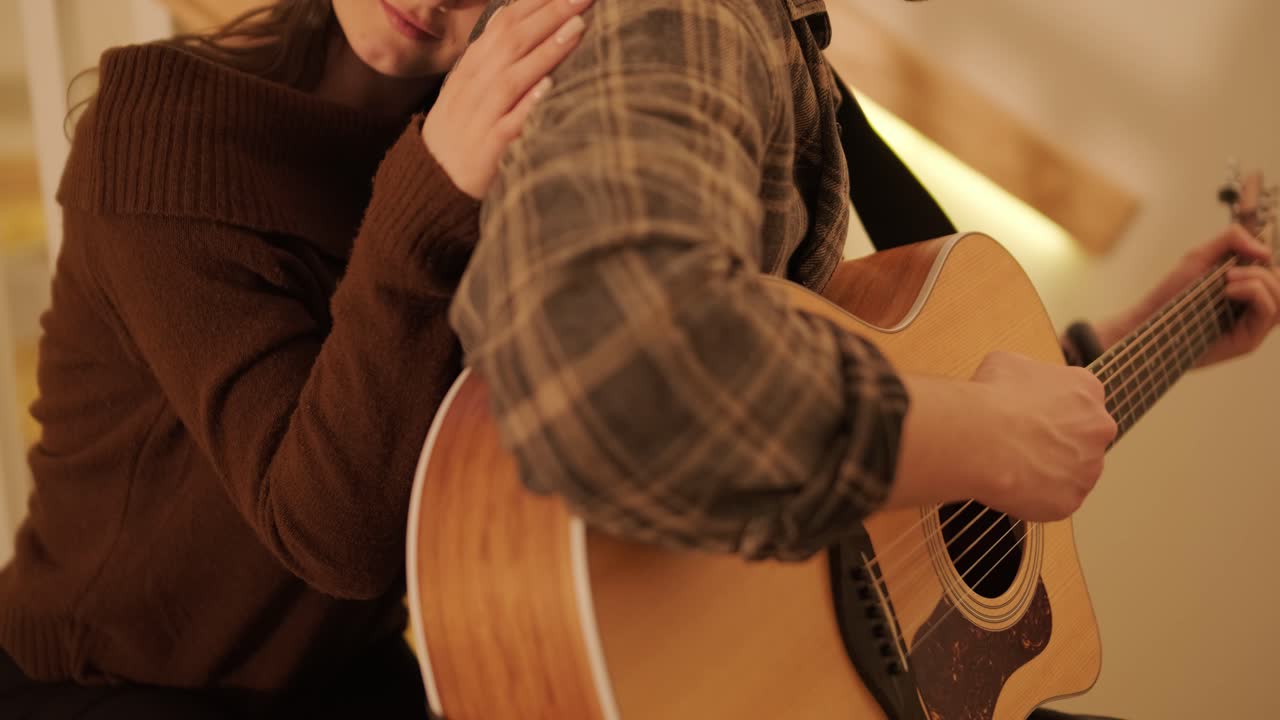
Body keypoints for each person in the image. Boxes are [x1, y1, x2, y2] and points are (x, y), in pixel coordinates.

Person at [448, 0, 1280, 717]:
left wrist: (1116, 345)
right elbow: (612, 360)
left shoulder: (782, 43)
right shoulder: (701, 16)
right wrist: (992, 434)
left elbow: (859, 374)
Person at [0, 0, 593, 717]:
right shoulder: (161, 125)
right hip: (111, 681)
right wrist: (434, 197)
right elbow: (333, 536)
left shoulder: (509, 145)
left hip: (343, 665)